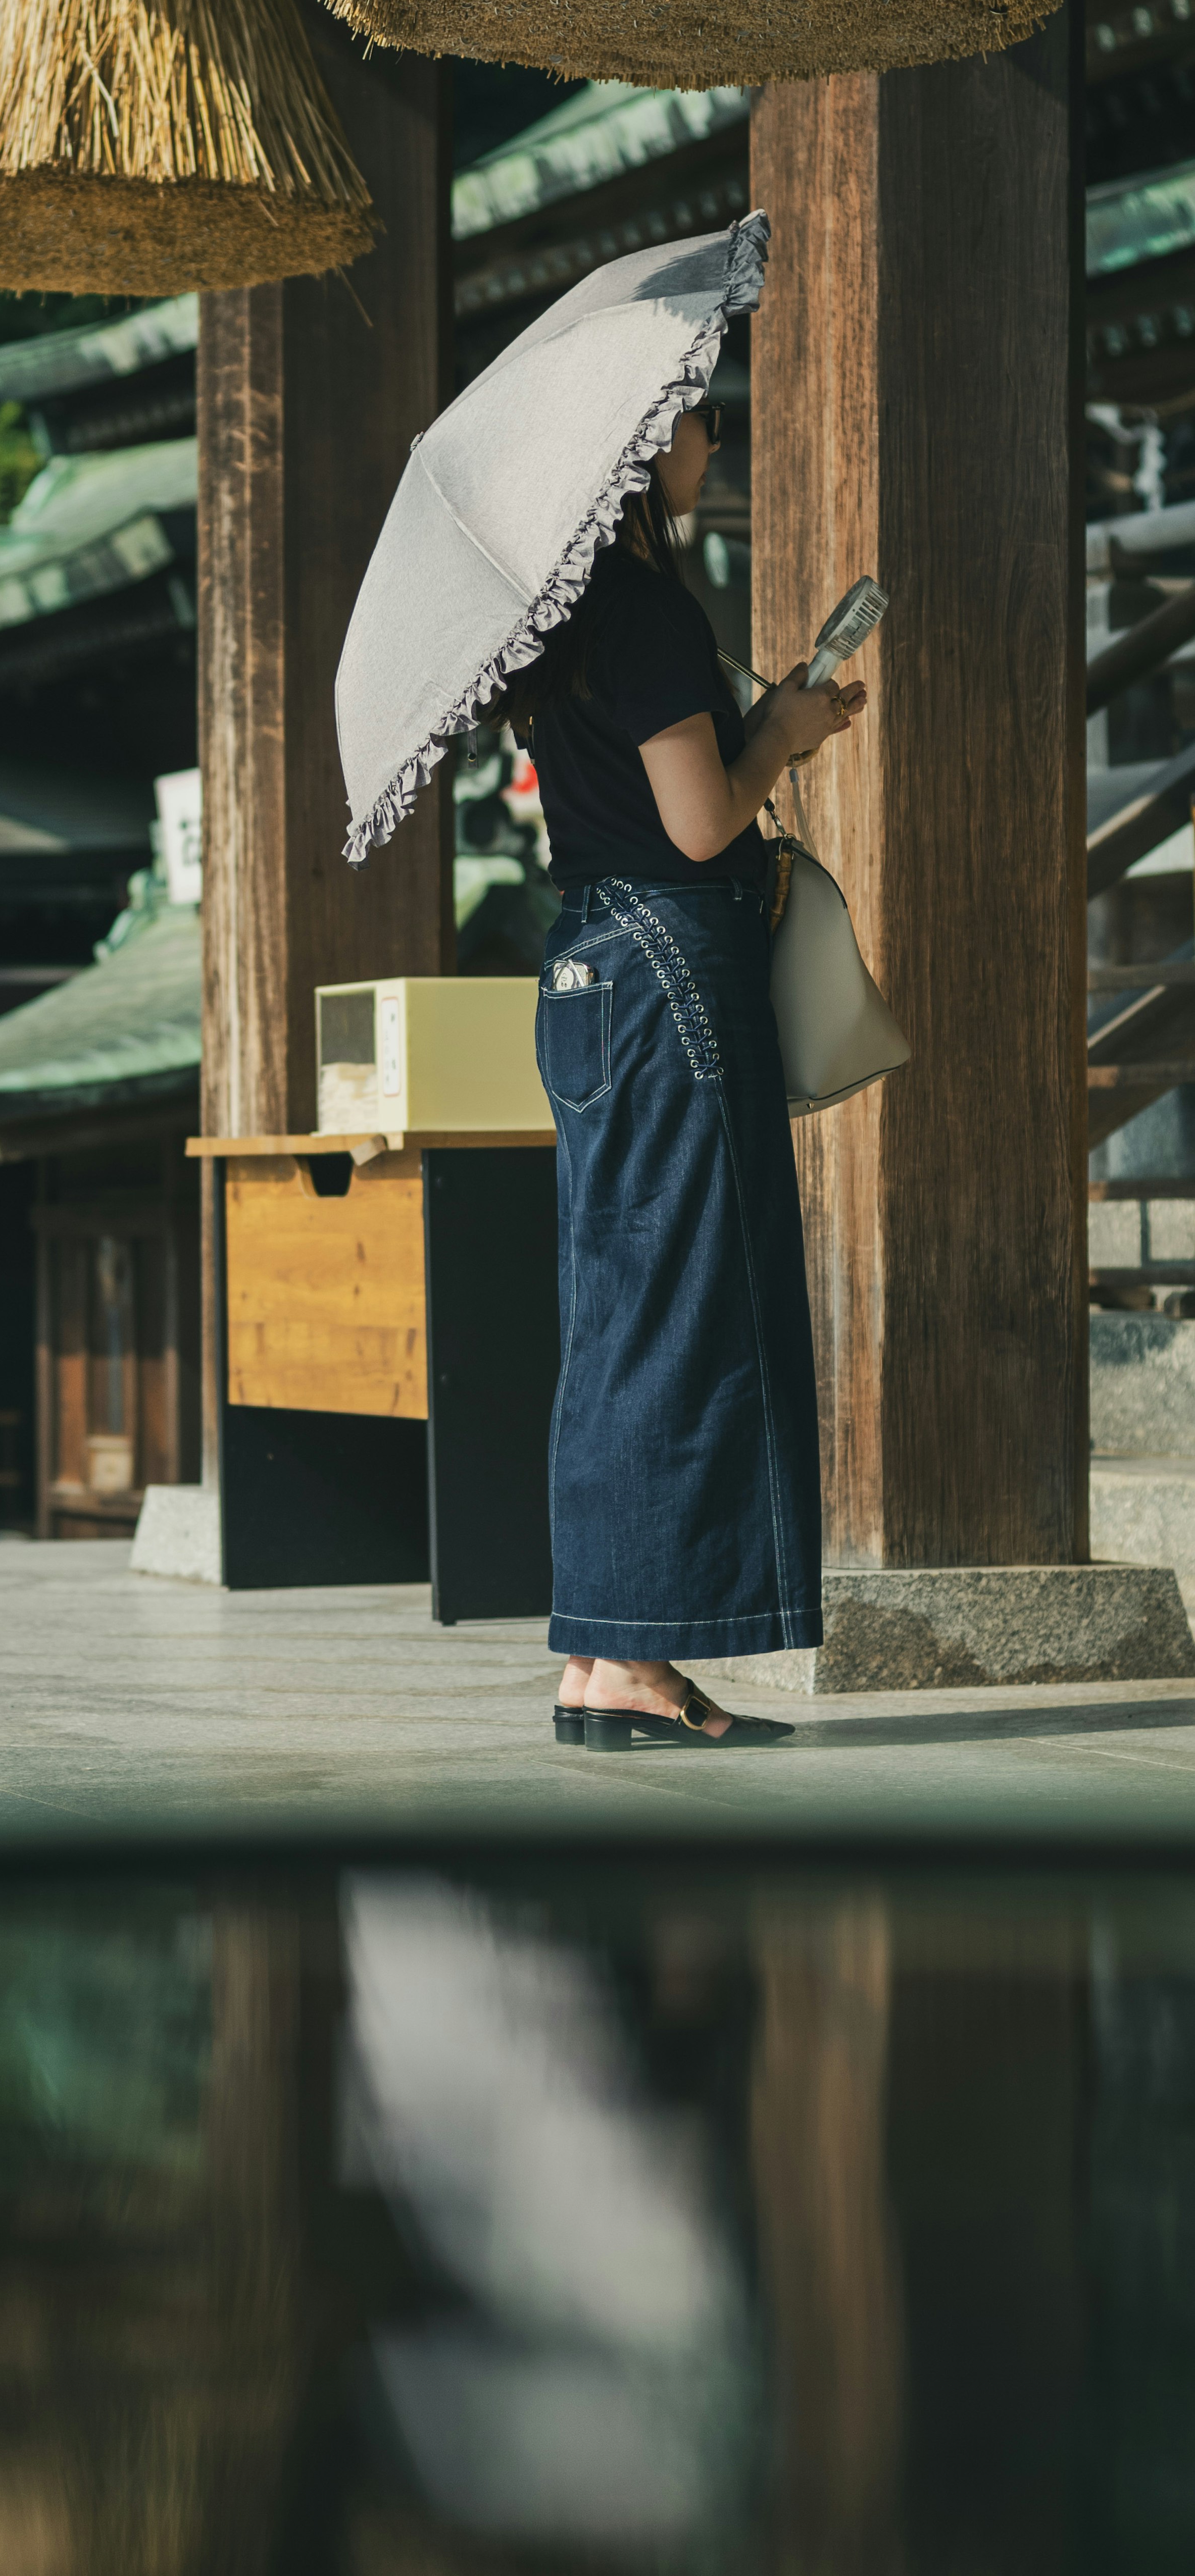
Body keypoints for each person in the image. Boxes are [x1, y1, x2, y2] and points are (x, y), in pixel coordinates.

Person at [503, 403, 865, 1749]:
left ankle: (601, 1663)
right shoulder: (644, 609)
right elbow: (703, 820)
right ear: (641, 450)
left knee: (618, 1311)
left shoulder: (557, 614)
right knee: (693, 1310)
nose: (715, 439)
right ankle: (644, 1670)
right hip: (668, 970)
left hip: (588, 967)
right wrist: (784, 731)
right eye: (698, 421)